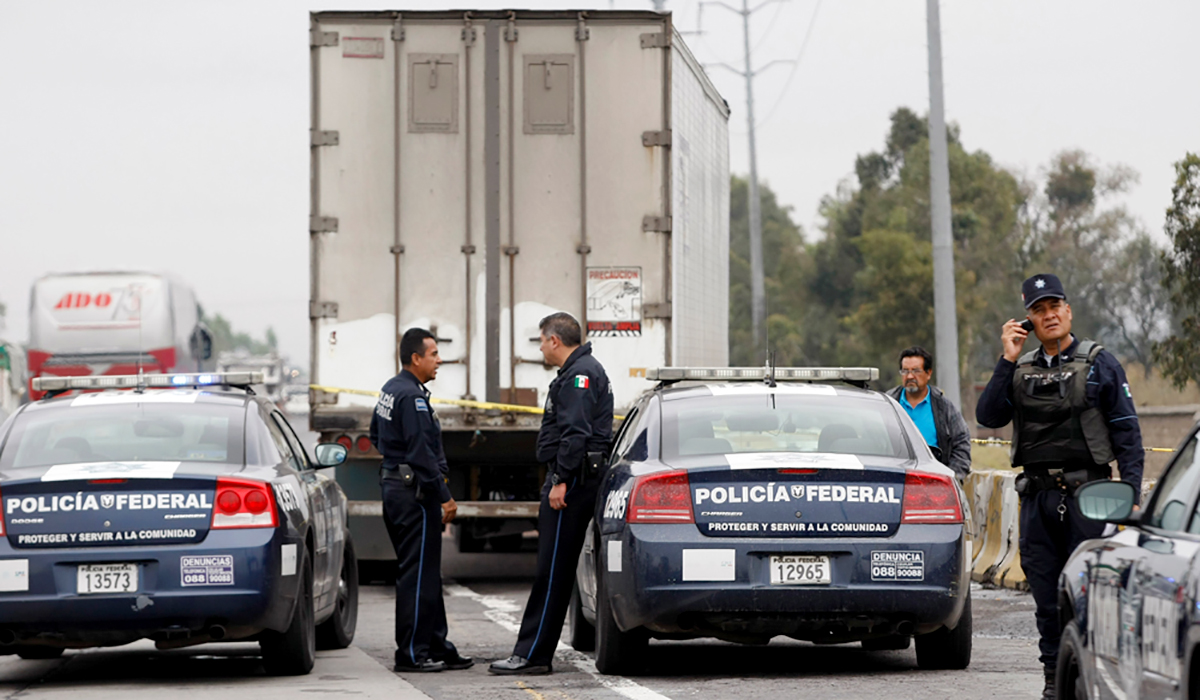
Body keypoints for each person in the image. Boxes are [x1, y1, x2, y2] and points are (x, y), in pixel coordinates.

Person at [976, 273, 1142, 700]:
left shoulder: (1101, 363)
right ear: (1028, 319)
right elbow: (990, 416)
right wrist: (1007, 358)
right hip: (1037, 499)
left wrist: (1131, 497)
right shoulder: (1021, 367)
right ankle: (1055, 679)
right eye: (1038, 310)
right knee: (1047, 601)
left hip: (1090, 498)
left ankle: (1096, 678)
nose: (1048, 315)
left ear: (1068, 310)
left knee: (1093, 598)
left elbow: (1127, 435)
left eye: (1054, 307)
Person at [489, 312, 614, 675]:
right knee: (554, 571)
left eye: (542, 341)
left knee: (552, 571)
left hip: (571, 483)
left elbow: (575, 433)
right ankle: (533, 651)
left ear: (555, 341)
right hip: (572, 478)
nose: (541, 347)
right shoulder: (580, 370)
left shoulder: (579, 375)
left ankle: (532, 655)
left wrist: (560, 479)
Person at [370, 327, 472, 673]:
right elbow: (421, 453)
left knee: (427, 572)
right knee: (416, 574)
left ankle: (437, 644)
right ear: (416, 358)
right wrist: (444, 496)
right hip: (415, 494)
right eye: (433, 354)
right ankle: (412, 653)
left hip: (395, 487)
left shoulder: (391, 389)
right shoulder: (411, 398)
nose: (439, 360)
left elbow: (375, 435)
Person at [885, 346, 971, 479]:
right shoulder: (888, 405)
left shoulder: (943, 407)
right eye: (905, 371)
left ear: (928, 373)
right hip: (893, 482)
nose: (910, 376)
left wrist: (951, 478)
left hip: (933, 485)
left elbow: (961, 444)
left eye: (916, 371)